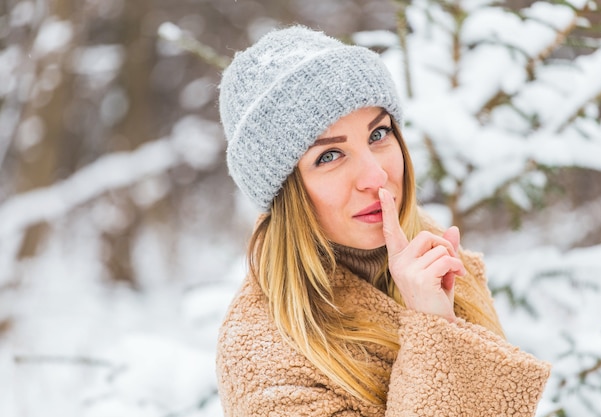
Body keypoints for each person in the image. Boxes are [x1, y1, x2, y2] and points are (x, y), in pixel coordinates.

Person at [216, 25, 550, 416]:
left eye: (378, 133)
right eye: (329, 156)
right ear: (285, 193)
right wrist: (434, 330)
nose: (375, 176)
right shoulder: (263, 357)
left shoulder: (432, 253)